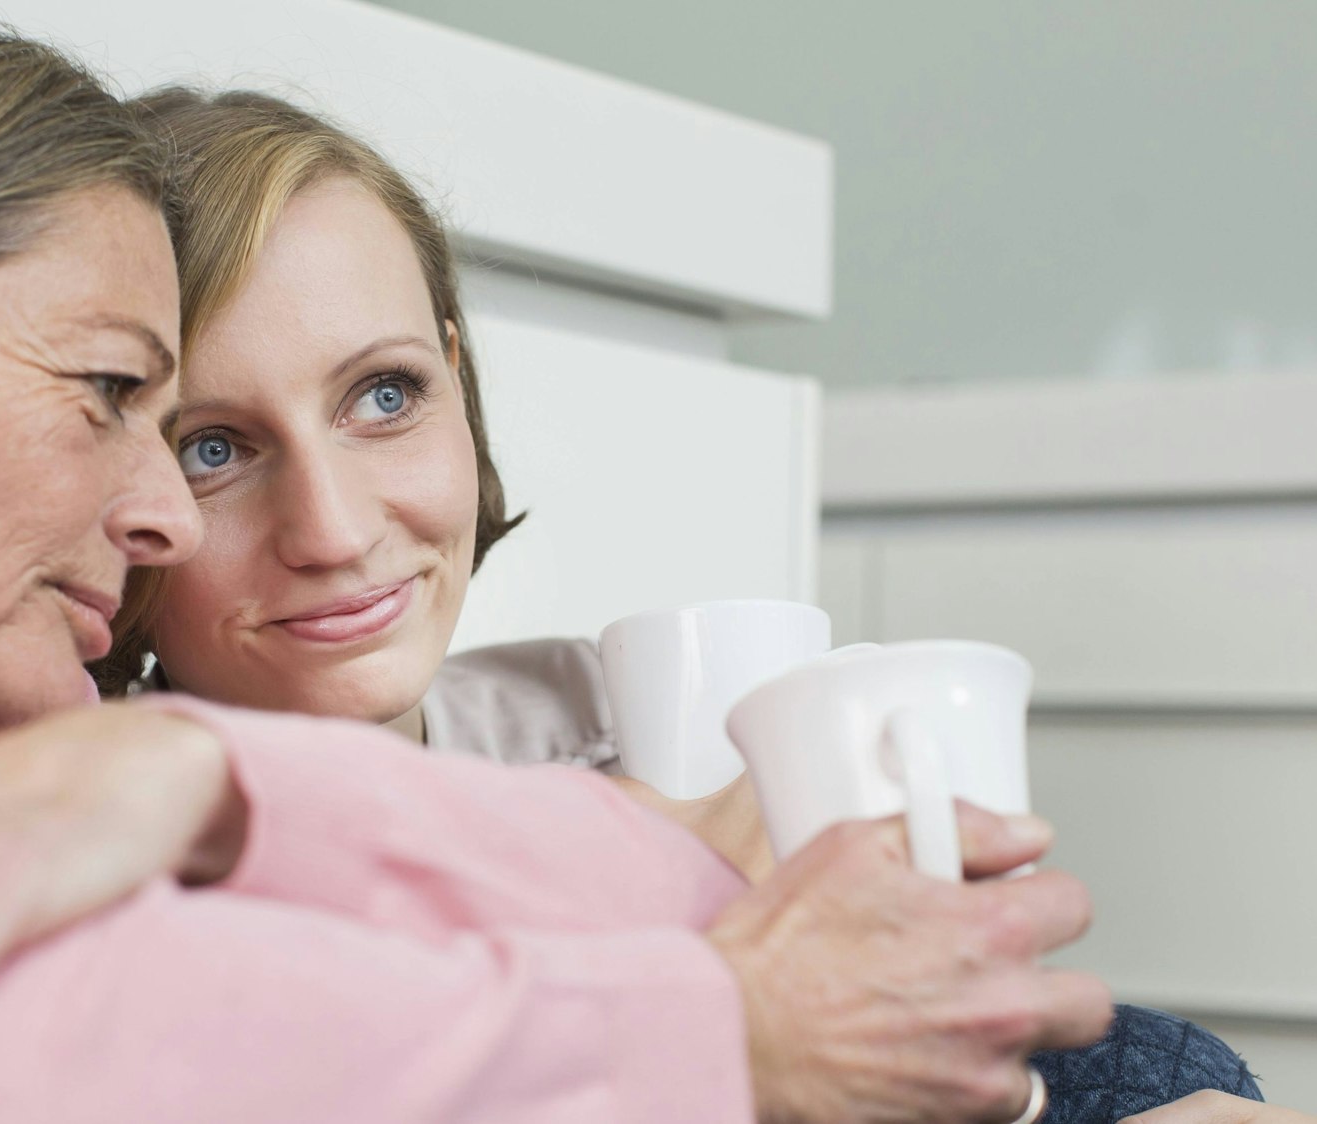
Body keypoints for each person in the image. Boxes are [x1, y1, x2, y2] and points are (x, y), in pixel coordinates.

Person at [0, 3, 1112, 1123]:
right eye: (132, 402)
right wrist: (717, 1023)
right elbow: (19, 1053)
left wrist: (171, 769)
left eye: (391, 396)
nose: (174, 513)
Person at [98, 87, 1271, 1117]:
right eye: (214, 449)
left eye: (385, 394)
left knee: (1168, 1066)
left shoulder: (597, 713)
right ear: (116, 502)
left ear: (458, 376)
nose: (336, 528)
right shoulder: (95, 847)